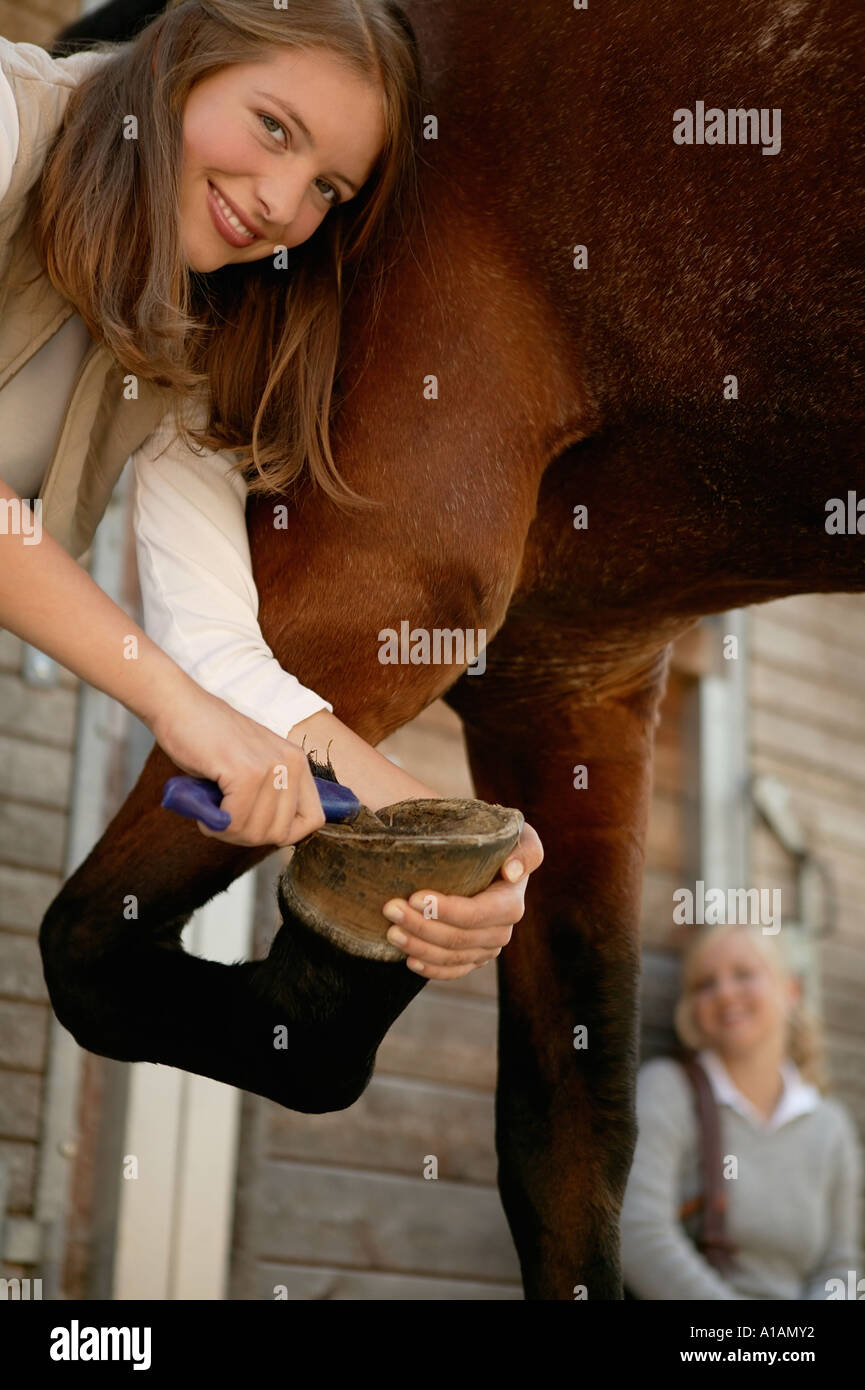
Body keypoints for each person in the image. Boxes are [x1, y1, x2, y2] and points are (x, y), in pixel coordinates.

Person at [0, 0, 543, 981]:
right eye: (273, 127)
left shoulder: (196, 343)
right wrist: (176, 708)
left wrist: (447, 838)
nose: (283, 204)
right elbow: (190, 692)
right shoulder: (9, 117)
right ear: (180, 61)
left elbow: (219, 649)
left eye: (328, 187)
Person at [620, 923, 863, 1298]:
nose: (725, 993)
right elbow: (638, 1235)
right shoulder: (668, 1091)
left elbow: (839, 1267)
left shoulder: (830, 1127)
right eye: (705, 984)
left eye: (744, 974)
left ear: (791, 991)